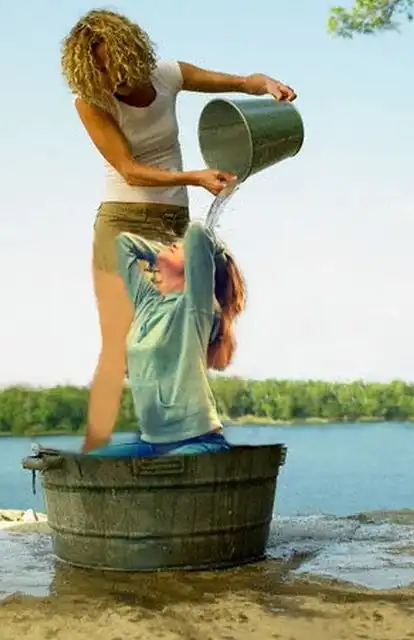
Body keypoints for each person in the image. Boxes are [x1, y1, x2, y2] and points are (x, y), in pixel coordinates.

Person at [61, 9, 296, 452]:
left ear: (132, 50)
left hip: (171, 221)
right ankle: (105, 449)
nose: (112, 76)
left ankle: (188, 431)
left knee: (183, 331)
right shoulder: (90, 102)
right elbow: (129, 170)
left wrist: (265, 85)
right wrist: (194, 177)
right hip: (123, 220)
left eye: (115, 62)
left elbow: (238, 83)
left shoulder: (168, 75)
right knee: (124, 342)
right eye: (100, 70)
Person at [87, 219, 246, 457]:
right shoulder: (146, 302)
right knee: (90, 464)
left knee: (164, 471)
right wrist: (164, 256)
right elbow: (123, 245)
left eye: (182, 247)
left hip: (198, 440)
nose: (173, 244)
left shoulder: (197, 306)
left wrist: (210, 255)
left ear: (196, 263)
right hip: (152, 443)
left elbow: (198, 233)